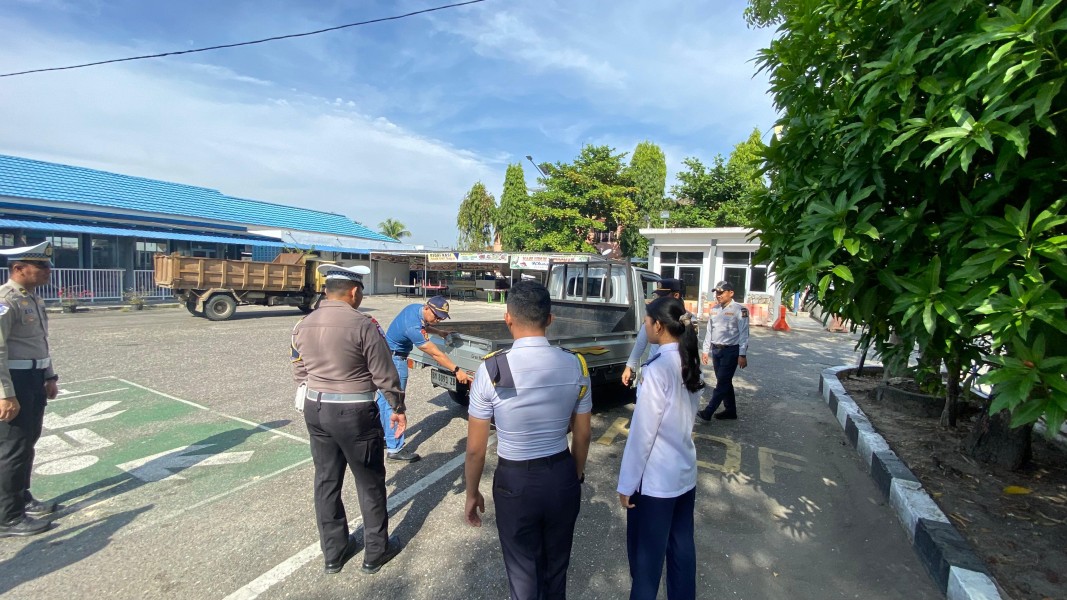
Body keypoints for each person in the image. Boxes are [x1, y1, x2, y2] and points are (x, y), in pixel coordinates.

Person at [464, 280, 592, 600]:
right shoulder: (575, 364)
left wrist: (471, 492)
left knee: (523, 575)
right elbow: (583, 433)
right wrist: (574, 475)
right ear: (550, 320)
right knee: (556, 569)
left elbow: (476, 449)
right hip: (561, 475)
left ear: (508, 318)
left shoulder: (491, 368)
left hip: (514, 483)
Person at [291, 264, 404, 574]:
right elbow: (384, 373)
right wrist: (397, 407)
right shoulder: (363, 325)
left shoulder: (303, 324)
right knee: (369, 482)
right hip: (354, 413)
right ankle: (375, 552)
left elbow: (299, 370)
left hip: (316, 409)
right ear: (354, 292)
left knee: (326, 481)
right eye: (361, 291)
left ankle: (334, 552)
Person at [617, 296, 703, 600]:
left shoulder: (656, 369)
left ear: (658, 326)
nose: (644, 325)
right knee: (682, 552)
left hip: (655, 484)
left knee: (646, 564)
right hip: (683, 474)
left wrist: (627, 484)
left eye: (646, 320)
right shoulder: (688, 359)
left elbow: (642, 436)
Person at [0, 242, 60, 538]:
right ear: (19, 269)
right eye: (42, 267)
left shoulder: (32, 299)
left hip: (34, 378)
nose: (48, 272)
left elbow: (40, 341)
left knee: (28, 442)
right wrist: (4, 393)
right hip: (15, 382)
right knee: (12, 448)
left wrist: (49, 376)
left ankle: (22, 498)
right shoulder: (6, 300)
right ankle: (7, 517)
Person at [379, 295, 470, 463]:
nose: (438, 320)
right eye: (436, 316)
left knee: (384, 401)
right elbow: (435, 353)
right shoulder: (412, 326)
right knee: (395, 403)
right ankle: (395, 448)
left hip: (385, 357)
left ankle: (385, 437)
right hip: (395, 361)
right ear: (428, 308)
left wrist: (440, 332)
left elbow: (425, 326)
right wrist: (456, 370)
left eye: (441, 318)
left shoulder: (415, 310)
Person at [697, 280, 750, 421]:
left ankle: (708, 412)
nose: (718, 295)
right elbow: (710, 331)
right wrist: (705, 350)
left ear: (731, 293)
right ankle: (730, 410)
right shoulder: (714, 309)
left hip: (731, 351)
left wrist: (742, 354)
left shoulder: (740, 310)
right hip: (716, 351)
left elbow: (744, 334)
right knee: (724, 381)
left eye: (721, 292)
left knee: (721, 383)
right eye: (717, 293)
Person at [621, 278, 685, 388]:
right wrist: (629, 366)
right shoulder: (654, 316)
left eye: (663, 296)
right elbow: (641, 342)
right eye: (658, 296)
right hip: (656, 370)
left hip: (680, 371)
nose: (658, 299)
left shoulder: (687, 319)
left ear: (676, 296)